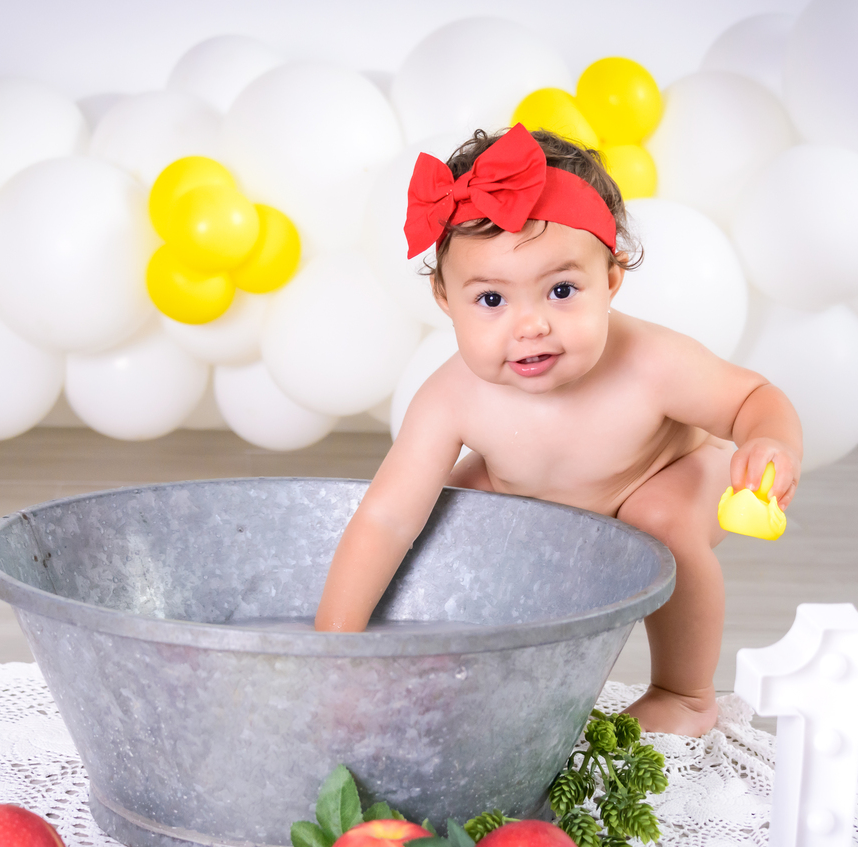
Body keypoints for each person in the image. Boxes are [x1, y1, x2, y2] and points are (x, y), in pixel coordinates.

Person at [313, 124, 802, 736]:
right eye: (492, 301)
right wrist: (331, 652)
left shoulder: (651, 363)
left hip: (661, 474)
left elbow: (753, 398)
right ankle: (450, 661)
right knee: (444, 515)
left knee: (660, 520)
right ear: (444, 297)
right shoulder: (451, 396)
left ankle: (684, 693)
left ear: (611, 279)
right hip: (534, 495)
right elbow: (385, 519)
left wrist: (768, 440)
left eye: (561, 290)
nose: (531, 327)